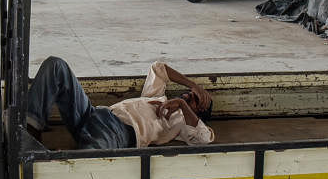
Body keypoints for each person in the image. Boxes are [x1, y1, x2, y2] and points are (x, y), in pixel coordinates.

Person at [27, 56, 214, 150]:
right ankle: (30, 133)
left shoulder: (183, 126)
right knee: (56, 65)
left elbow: (204, 139)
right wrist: (193, 85)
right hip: (93, 114)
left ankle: (39, 168)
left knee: (83, 164)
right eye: (190, 93)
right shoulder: (157, 97)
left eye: (195, 99)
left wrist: (182, 105)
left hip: (118, 132)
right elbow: (159, 67)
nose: (189, 95)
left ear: (199, 112)